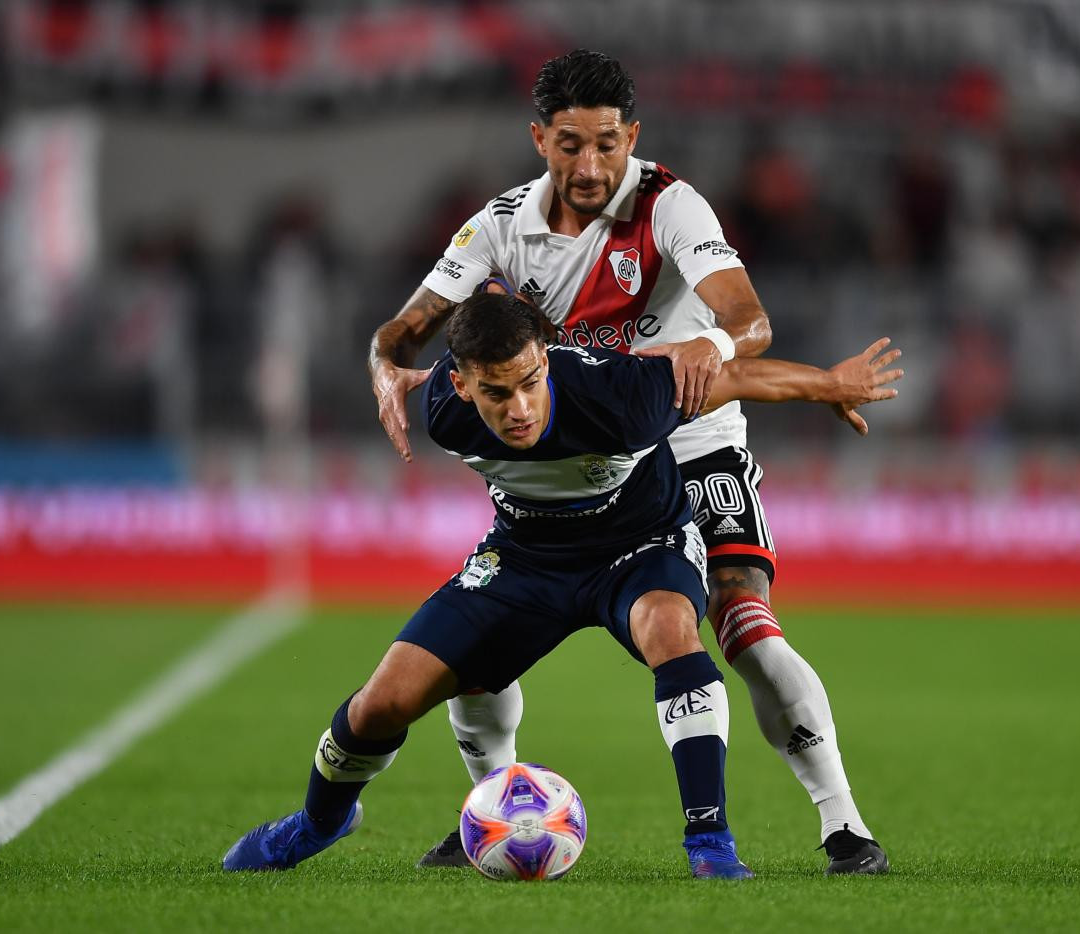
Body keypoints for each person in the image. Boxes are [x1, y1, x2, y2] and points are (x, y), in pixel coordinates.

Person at [371, 50, 894, 875]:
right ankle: (498, 806)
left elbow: (750, 321)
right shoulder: (501, 224)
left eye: (609, 145)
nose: (592, 166)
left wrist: (709, 348)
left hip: (688, 432)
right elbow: (402, 333)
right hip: (580, 445)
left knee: (744, 624)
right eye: (572, 145)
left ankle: (843, 825)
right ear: (539, 138)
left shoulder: (671, 207)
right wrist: (385, 371)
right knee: (484, 642)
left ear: (632, 136)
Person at [224, 293, 899, 879]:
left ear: (546, 358)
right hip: (524, 560)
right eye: (496, 392)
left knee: (670, 630)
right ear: (460, 385)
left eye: (529, 381)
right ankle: (318, 824)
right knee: (379, 706)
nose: (518, 407)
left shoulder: (620, 395)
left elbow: (737, 376)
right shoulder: (443, 410)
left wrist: (829, 383)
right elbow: (417, 373)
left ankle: (710, 840)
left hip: (641, 550)